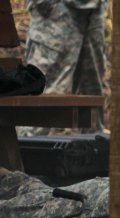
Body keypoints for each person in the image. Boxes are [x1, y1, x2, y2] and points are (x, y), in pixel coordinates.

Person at [20, 0, 108, 136]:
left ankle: (91, 155)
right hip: (55, 15)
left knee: (93, 106)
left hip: (94, 12)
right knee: (40, 105)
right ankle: (25, 154)